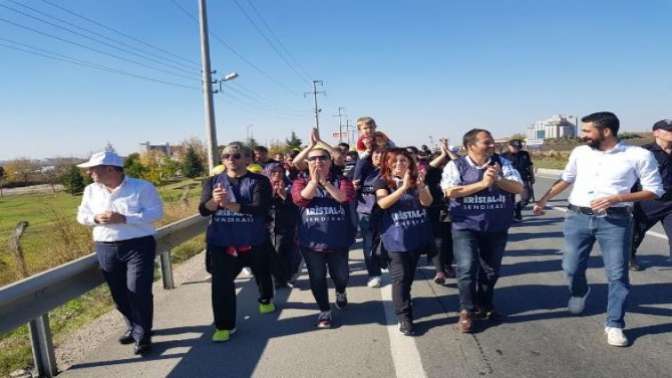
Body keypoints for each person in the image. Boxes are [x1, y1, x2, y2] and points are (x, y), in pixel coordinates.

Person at [533, 112, 663, 347]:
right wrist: (543, 199)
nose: (582, 135)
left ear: (605, 131)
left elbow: (654, 190)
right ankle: (579, 292)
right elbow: (567, 178)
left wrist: (617, 197)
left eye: (586, 131)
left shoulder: (638, 155)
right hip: (577, 218)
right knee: (571, 267)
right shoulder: (580, 153)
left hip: (615, 221)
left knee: (617, 275)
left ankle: (614, 324)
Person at [76, 151, 163, 355]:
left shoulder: (142, 187)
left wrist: (124, 218)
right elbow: (82, 215)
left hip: (138, 245)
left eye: (93, 169)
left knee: (138, 290)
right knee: (119, 294)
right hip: (105, 246)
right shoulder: (90, 190)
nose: (89, 172)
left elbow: (156, 213)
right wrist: (96, 219)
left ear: (110, 169)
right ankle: (133, 326)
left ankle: (143, 336)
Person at [441, 129, 523, 333]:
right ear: (471, 146)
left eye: (492, 142)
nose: (492, 145)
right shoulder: (456, 165)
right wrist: (483, 184)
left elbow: (518, 187)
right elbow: (450, 191)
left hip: (496, 226)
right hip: (465, 226)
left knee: (491, 271)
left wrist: (497, 181)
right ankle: (466, 311)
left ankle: (485, 304)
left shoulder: (502, 163)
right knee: (467, 268)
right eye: (486, 142)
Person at [199, 142, 276, 343]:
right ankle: (225, 325)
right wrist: (214, 202)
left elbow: (260, 208)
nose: (231, 160)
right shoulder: (213, 181)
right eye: (226, 156)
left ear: (248, 159)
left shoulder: (259, 181)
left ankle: (265, 297)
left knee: (262, 272)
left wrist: (229, 205)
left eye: (236, 156)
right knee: (221, 284)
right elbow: (203, 210)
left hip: (253, 241)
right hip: (222, 242)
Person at [292, 147, 355, 328]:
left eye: (322, 158)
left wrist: (325, 183)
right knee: (317, 277)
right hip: (311, 242)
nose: (318, 161)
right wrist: (313, 182)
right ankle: (324, 311)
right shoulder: (299, 182)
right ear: (307, 163)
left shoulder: (341, 180)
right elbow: (301, 200)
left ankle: (341, 291)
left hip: (338, 240)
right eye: (313, 159)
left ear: (330, 161)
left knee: (340, 276)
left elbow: (343, 198)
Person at [375, 148, 433, 336]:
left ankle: (404, 299)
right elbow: (383, 203)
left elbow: (427, 202)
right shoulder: (382, 182)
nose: (399, 164)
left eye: (403, 161)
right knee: (399, 278)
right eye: (395, 161)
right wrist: (402, 188)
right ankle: (404, 317)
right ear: (388, 164)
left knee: (408, 277)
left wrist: (421, 187)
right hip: (394, 240)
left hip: (414, 237)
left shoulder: (417, 181)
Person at [630, 119, 672, 271]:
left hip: (670, 203)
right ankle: (630, 255)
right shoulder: (644, 152)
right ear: (656, 133)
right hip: (648, 203)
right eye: (669, 130)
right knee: (635, 234)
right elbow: (632, 178)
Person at [426, 138, 459, 284]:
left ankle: (448, 265)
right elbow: (428, 167)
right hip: (434, 210)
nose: (443, 164)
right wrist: (442, 154)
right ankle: (439, 271)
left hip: (452, 209)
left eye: (445, 162)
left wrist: (448, 152)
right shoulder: (430, 174)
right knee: (438, 241)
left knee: (450, 240)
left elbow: (460, 163)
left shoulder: (454, 172)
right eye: (441, 162)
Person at [353, 146, 386, 288]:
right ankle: (374, 274)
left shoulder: (392, 170)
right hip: (366, 213)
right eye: (376, 152)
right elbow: (352, 182)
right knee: (369, 245)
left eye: (382, 152)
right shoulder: (363, 171)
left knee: (389, 245)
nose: (379, 155)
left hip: (387, 213)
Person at [264, 162, 301, 288]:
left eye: (280, 172)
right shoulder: (262, 187)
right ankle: (278, 280)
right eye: (274, 172)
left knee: (291, 254)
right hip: (269, 228)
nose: (277, 175)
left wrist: (284, 196)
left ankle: (289, 275)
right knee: (275, 254)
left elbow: (297, 206)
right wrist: (271, 195)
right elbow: (259, 207)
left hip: (288, 226)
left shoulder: (290, 186)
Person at [501, 139, 534, 222]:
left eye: (519, 147)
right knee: (510, 200)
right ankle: (514, 215)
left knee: (526, 198)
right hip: (510, 180)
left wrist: (532, 177)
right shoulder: (503, 156)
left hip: (524, 178)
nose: (517, 149)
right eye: (515, 147)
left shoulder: (525, 154)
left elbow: (529, 166)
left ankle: (517, 208)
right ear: (509, 146)